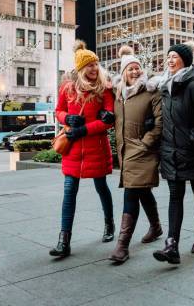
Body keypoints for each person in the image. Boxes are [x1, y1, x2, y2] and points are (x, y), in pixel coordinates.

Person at [49, 40, 116, 259]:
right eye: (89, 65)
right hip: (73, 150)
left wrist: (83, 130)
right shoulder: (68, 88)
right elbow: (58, 110)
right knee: (69, 193)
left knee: (101, 187)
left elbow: (109, 121)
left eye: (96, 64)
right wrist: (66, 117)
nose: (94, 69)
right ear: (80, 69)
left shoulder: (104, 89)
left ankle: (109, 224)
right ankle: (64, 240)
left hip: (95, 148)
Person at [152, 41, 194, 264]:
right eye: (168, 56)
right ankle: (172, 244)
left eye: (174, 57)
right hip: (172, 152)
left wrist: (193, 137)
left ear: (185, 61)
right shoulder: (166, 87)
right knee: (175, 197)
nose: (170, 60)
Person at [108, 45, 163, 263]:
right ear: (123, 73)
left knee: (131, 193)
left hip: (142, 151)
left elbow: (160, 123)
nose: (135, 71)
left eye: (137, 68)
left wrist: (145, 143)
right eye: (130, 68)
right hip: (125, 151)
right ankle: (156, 227)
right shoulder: (119, 94)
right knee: (142, 191)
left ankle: (122, 246)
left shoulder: (151, 91)